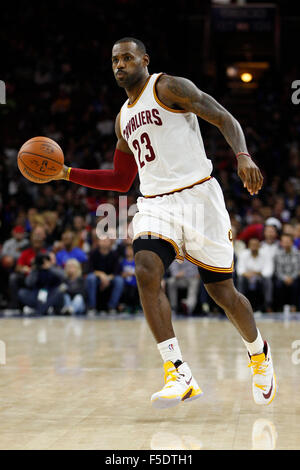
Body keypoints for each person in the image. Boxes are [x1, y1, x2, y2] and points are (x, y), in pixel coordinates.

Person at [52, 37, 276, 407]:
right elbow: (121, 180)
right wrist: (66, 173)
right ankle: (177, 371)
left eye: (126, 58)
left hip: (199, 197)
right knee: (144, 268)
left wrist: (243, 155)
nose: (119, 65)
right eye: (114, 60)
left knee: (223, 294)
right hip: (156, 205)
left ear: (144, 60)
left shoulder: (168, 86)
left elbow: (224, 116)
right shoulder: (122, 118)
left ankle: (258, 353)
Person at [86, 237, 124, 314]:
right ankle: (91, 307)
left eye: (106, 240)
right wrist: (101, 275)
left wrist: (107, 278)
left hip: (110, 278)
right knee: (90, 278)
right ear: (98, 242)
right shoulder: (93, 253)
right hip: (96, 278)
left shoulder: (115, 254)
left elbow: (117, 272)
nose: (104, 242)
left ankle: (112, 307)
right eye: (102, 240)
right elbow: (90, 269)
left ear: (110, 243)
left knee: (119, 280)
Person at [236, 238, 273, 312]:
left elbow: (269, 271)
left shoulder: (265, 254)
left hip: (260, 277)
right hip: (247, 277)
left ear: (259, 246)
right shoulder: (243, 254)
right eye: (252, 245)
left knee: (268, 281)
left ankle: (267, 305)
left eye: (256, 245)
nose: (254, 247)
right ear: (248, 246)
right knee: (240, 279)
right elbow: (240, 270)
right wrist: (247, 274)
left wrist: (257, 273)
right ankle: (240, 305)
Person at [274, 233, 300, 312]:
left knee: (296, 285)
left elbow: (297, 269)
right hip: (282, 278)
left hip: (294, 277)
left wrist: (291, 278)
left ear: (292, 242)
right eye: (284, 242)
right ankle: (281, 307)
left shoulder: (298, 254)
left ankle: (294, 306)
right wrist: (285, 278)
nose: (286, 243)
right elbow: (278, 270)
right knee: (278, 284)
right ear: (281, 243)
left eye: (288, 241)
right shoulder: (278, 255)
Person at [120, 244, 140, 312]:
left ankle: (136, 307)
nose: (129, 252)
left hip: (135, 283)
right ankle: (127, 307)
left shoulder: (137, 261)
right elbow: (120, 273)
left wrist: (132, 274)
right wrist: (124, 275)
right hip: (126, 283)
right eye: (127, 250)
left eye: (130, 250)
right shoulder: (123, 261)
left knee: (134, 292)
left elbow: (139, 272)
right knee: (126, 292)